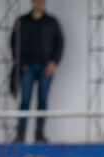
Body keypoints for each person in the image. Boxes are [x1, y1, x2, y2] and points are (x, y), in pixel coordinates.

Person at [10, 0, 64, 143]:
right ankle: (20, 134)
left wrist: (54, 62)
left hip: (45, 68)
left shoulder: (51, 22)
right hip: (27, 67)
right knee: (25, 100)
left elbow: (60, 43)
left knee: (42, 101)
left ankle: (39, 133)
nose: (40, 3)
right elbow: (13, 42)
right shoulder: (22, 21)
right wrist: (20, 63)